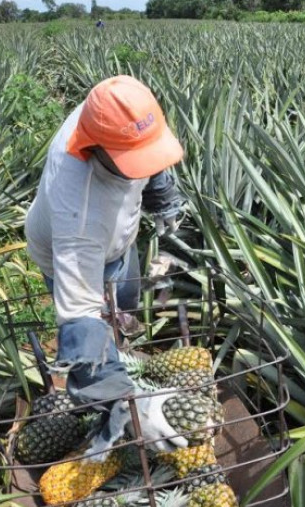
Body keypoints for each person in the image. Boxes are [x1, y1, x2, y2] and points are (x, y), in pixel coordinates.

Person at [25, 75, 187, 456]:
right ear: (95, 148)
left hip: (118, 238)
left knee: (123, 306)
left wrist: (162, 196)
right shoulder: (78, 214)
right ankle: (112, 409)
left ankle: (123, 355)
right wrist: (127, 404)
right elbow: (79, 318)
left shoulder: (111, 113)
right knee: (94, 332)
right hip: (71, 251)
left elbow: (147, 148)